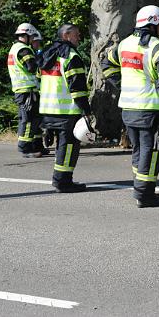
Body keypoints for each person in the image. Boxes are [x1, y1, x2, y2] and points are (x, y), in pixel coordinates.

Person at [114, 5, 159, 208]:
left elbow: (107, 63)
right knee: (152, 151)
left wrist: (119, 83)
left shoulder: (124, 44)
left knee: (139, 150)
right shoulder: (154, 45)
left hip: (128, 108)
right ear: (152, 24)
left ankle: (141, 188)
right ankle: (144, 194)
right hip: (148, 107)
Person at [38, 23, 91, 193]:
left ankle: (60, 179)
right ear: (66, 35)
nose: (79, 38)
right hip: (67, 110)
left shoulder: (46, 53)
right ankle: (63, 182)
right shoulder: (71, 56)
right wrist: (86, 111)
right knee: (68, 147)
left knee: (61, 146)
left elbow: (39, 78)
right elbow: (77, 87)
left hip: (48, 108)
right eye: (77, 35)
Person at [7, 23, 47, 158]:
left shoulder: (15, 48)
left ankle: (36, 144)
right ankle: (25, 148)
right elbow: (31, 67)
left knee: (34, 119)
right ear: (28, 36)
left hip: (24, 90)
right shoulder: (24, 50)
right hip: (26, 91)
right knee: (28, 119)